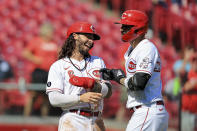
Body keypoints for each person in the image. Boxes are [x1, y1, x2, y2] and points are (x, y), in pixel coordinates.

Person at [100, 10, 169, 131]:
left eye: (126, 26)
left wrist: (119, 78)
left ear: (138, 29)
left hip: (148, 109)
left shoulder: (146, 48)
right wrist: (113, 75)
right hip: (148, 110)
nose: (122, 29)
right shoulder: (133, 49)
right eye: (122, 26)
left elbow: (138, 83)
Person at [46, 22, 112, 131]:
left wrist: (95, 86)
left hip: (96, 119)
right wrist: (80, 98)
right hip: (73, 119)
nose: (91, 41)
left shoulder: (98, 62)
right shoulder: (59, 65)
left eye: (93, 38)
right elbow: (54, 99)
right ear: (75, 36)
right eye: (88, 36)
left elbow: (109, 92)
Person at [22, 22, 58, 116]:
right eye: (50, 31)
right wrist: (35, 59)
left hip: (50, 72)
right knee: (33, 94)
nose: (52, 33)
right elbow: (25, 53)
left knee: (46, 96)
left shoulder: (54, 43)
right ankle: (26, 117)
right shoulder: (36, 41)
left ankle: (44, 118)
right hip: (38, 72)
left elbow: (58, 54)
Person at [181, 52, 197, 131]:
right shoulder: (187, 74)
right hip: (188, 111)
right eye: (194, 60)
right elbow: (186, 87)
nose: (195, 63)